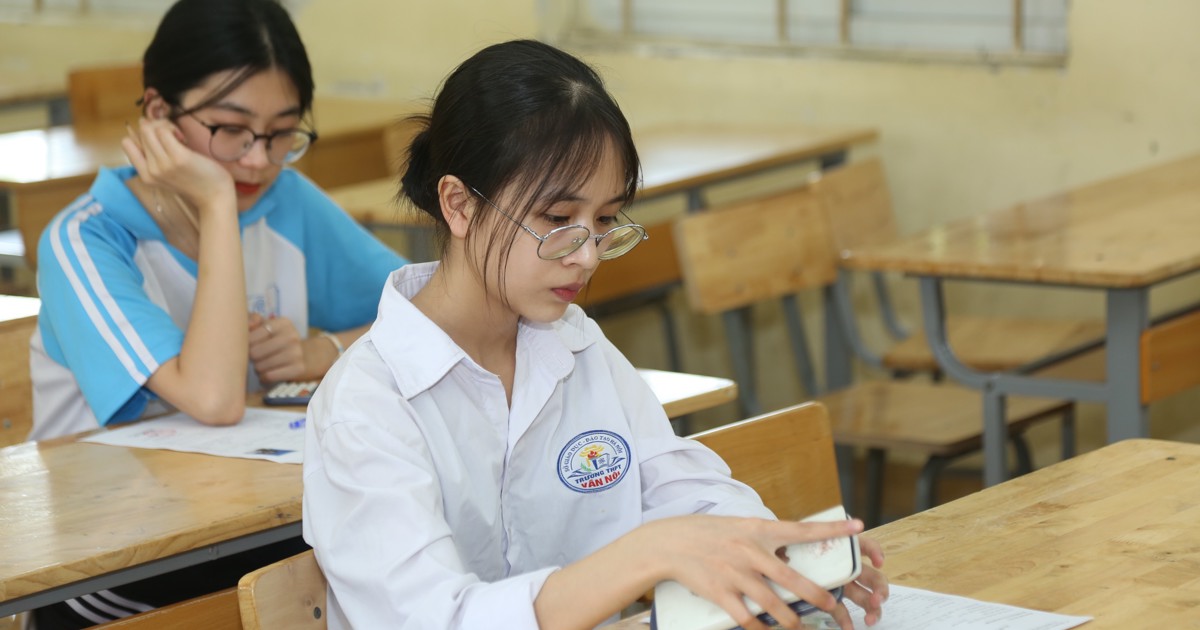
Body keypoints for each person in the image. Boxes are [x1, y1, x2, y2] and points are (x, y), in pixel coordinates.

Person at [302, 39, 888, 630]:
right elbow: (434, 619)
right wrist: (644, 556)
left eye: (605, 221)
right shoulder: (369, 405)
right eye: (557, 220)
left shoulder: (575, 344)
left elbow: (678, 485)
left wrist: (781, 555)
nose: (587, 256)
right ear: (458, 205)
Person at [28, 0, 404, 626]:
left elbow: (434, 308)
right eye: (230, 129)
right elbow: (214, 397)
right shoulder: (84, 244)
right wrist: (216, 204)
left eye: (283, 132)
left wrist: (327, 350)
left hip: (261, 528)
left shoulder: (287, 202)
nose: (259, 158)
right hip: (113, 572)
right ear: (156, 114)